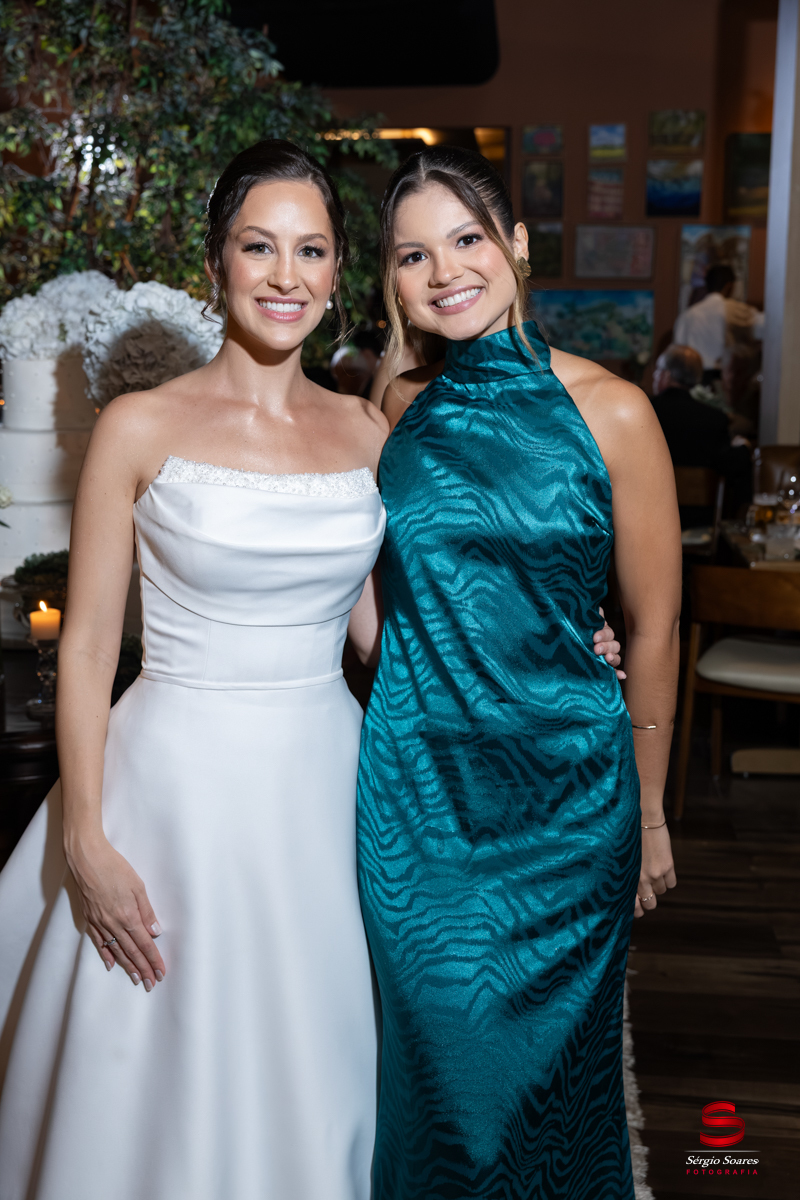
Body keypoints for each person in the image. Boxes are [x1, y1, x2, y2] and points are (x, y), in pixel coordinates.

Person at [0, 140, 390, 1200]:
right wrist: (84, 835)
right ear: (215, 262)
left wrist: (545, 646)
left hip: (325, 789)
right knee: (156, 1065)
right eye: (259, 247)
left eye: (311, 250)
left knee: (315, 1057)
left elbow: (380, 639)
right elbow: (89, 645)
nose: (285, 275)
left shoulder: (366, 431)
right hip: (171, 786)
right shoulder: (140, 425)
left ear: (337, 273)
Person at [356, 146, 681, 1199]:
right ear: (392, 279)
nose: (444, 269)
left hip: (570, 808)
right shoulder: (390, 406)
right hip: (421, 804)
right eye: (413, 254)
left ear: (517, 247)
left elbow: (655, 625)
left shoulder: (613, 411)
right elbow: (366, 603)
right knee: (444, 1096)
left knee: (557, 1098)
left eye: (466, 239)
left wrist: (651, 811)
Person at [652, 343, 751, 515]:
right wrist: (744, 448)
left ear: (666, 375)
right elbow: (729, 464)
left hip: (650, 515)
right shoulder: (714, 419)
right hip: (699, 520)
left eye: (657, 370)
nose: (654, 375)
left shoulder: (645, 413)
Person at [673, 263, 764, 384]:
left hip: (691, 380)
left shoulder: (687, 315)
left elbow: (677, 354)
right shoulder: (733, 310)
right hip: (724, 380)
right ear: (729, 286)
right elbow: (767, 326)